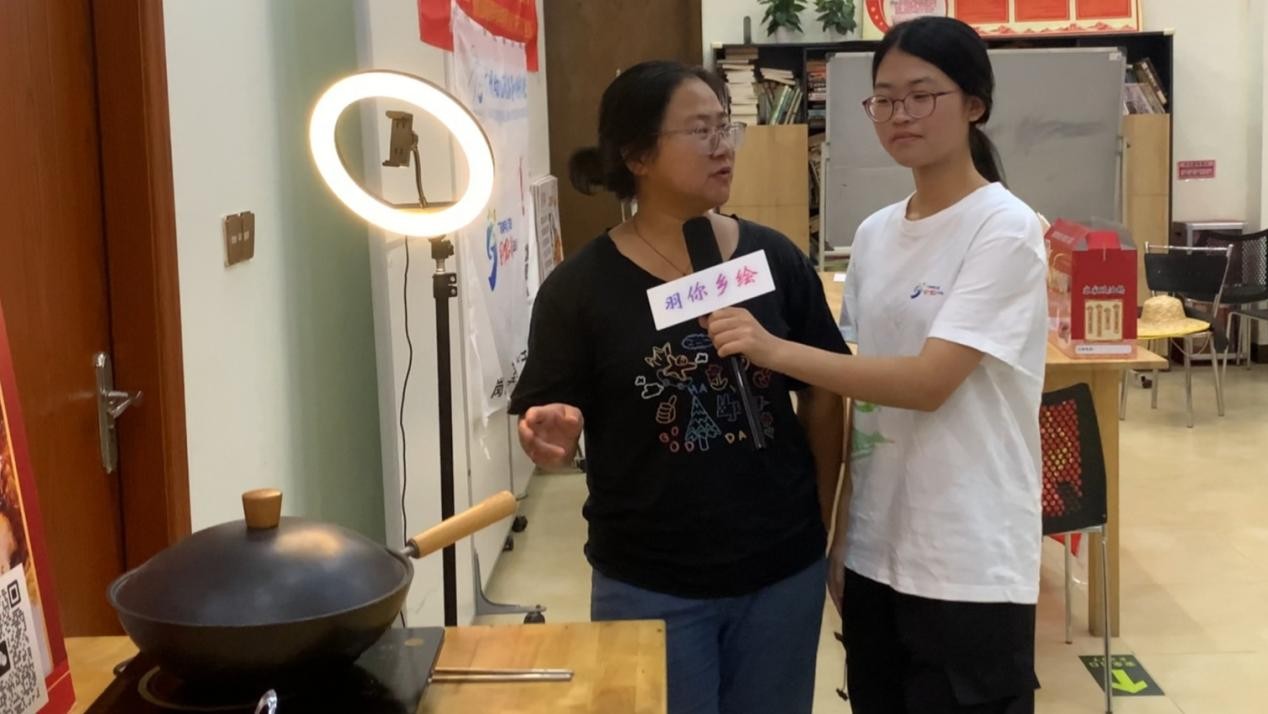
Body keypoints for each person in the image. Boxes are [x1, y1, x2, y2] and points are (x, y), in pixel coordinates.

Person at [708, 16, 1047, 714]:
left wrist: (774, 349)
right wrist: (845, 534)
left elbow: (926, 383)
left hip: (968, 555)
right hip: (877, 550)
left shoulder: (1005, 227)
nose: (900, 114)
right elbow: (867, 399)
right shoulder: (874, 233)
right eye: (885, 99)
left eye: (922, 95)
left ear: (974, 104)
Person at [509, 60, 849, 714]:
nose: (723, 146)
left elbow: (825, 387)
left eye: (726, 126)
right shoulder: (580, 288)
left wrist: (819, 521)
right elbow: (547, 414)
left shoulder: (773, 258)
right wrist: (548, 433)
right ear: (637, 155)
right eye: (700, 130)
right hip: (649, 580)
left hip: (781, 571)